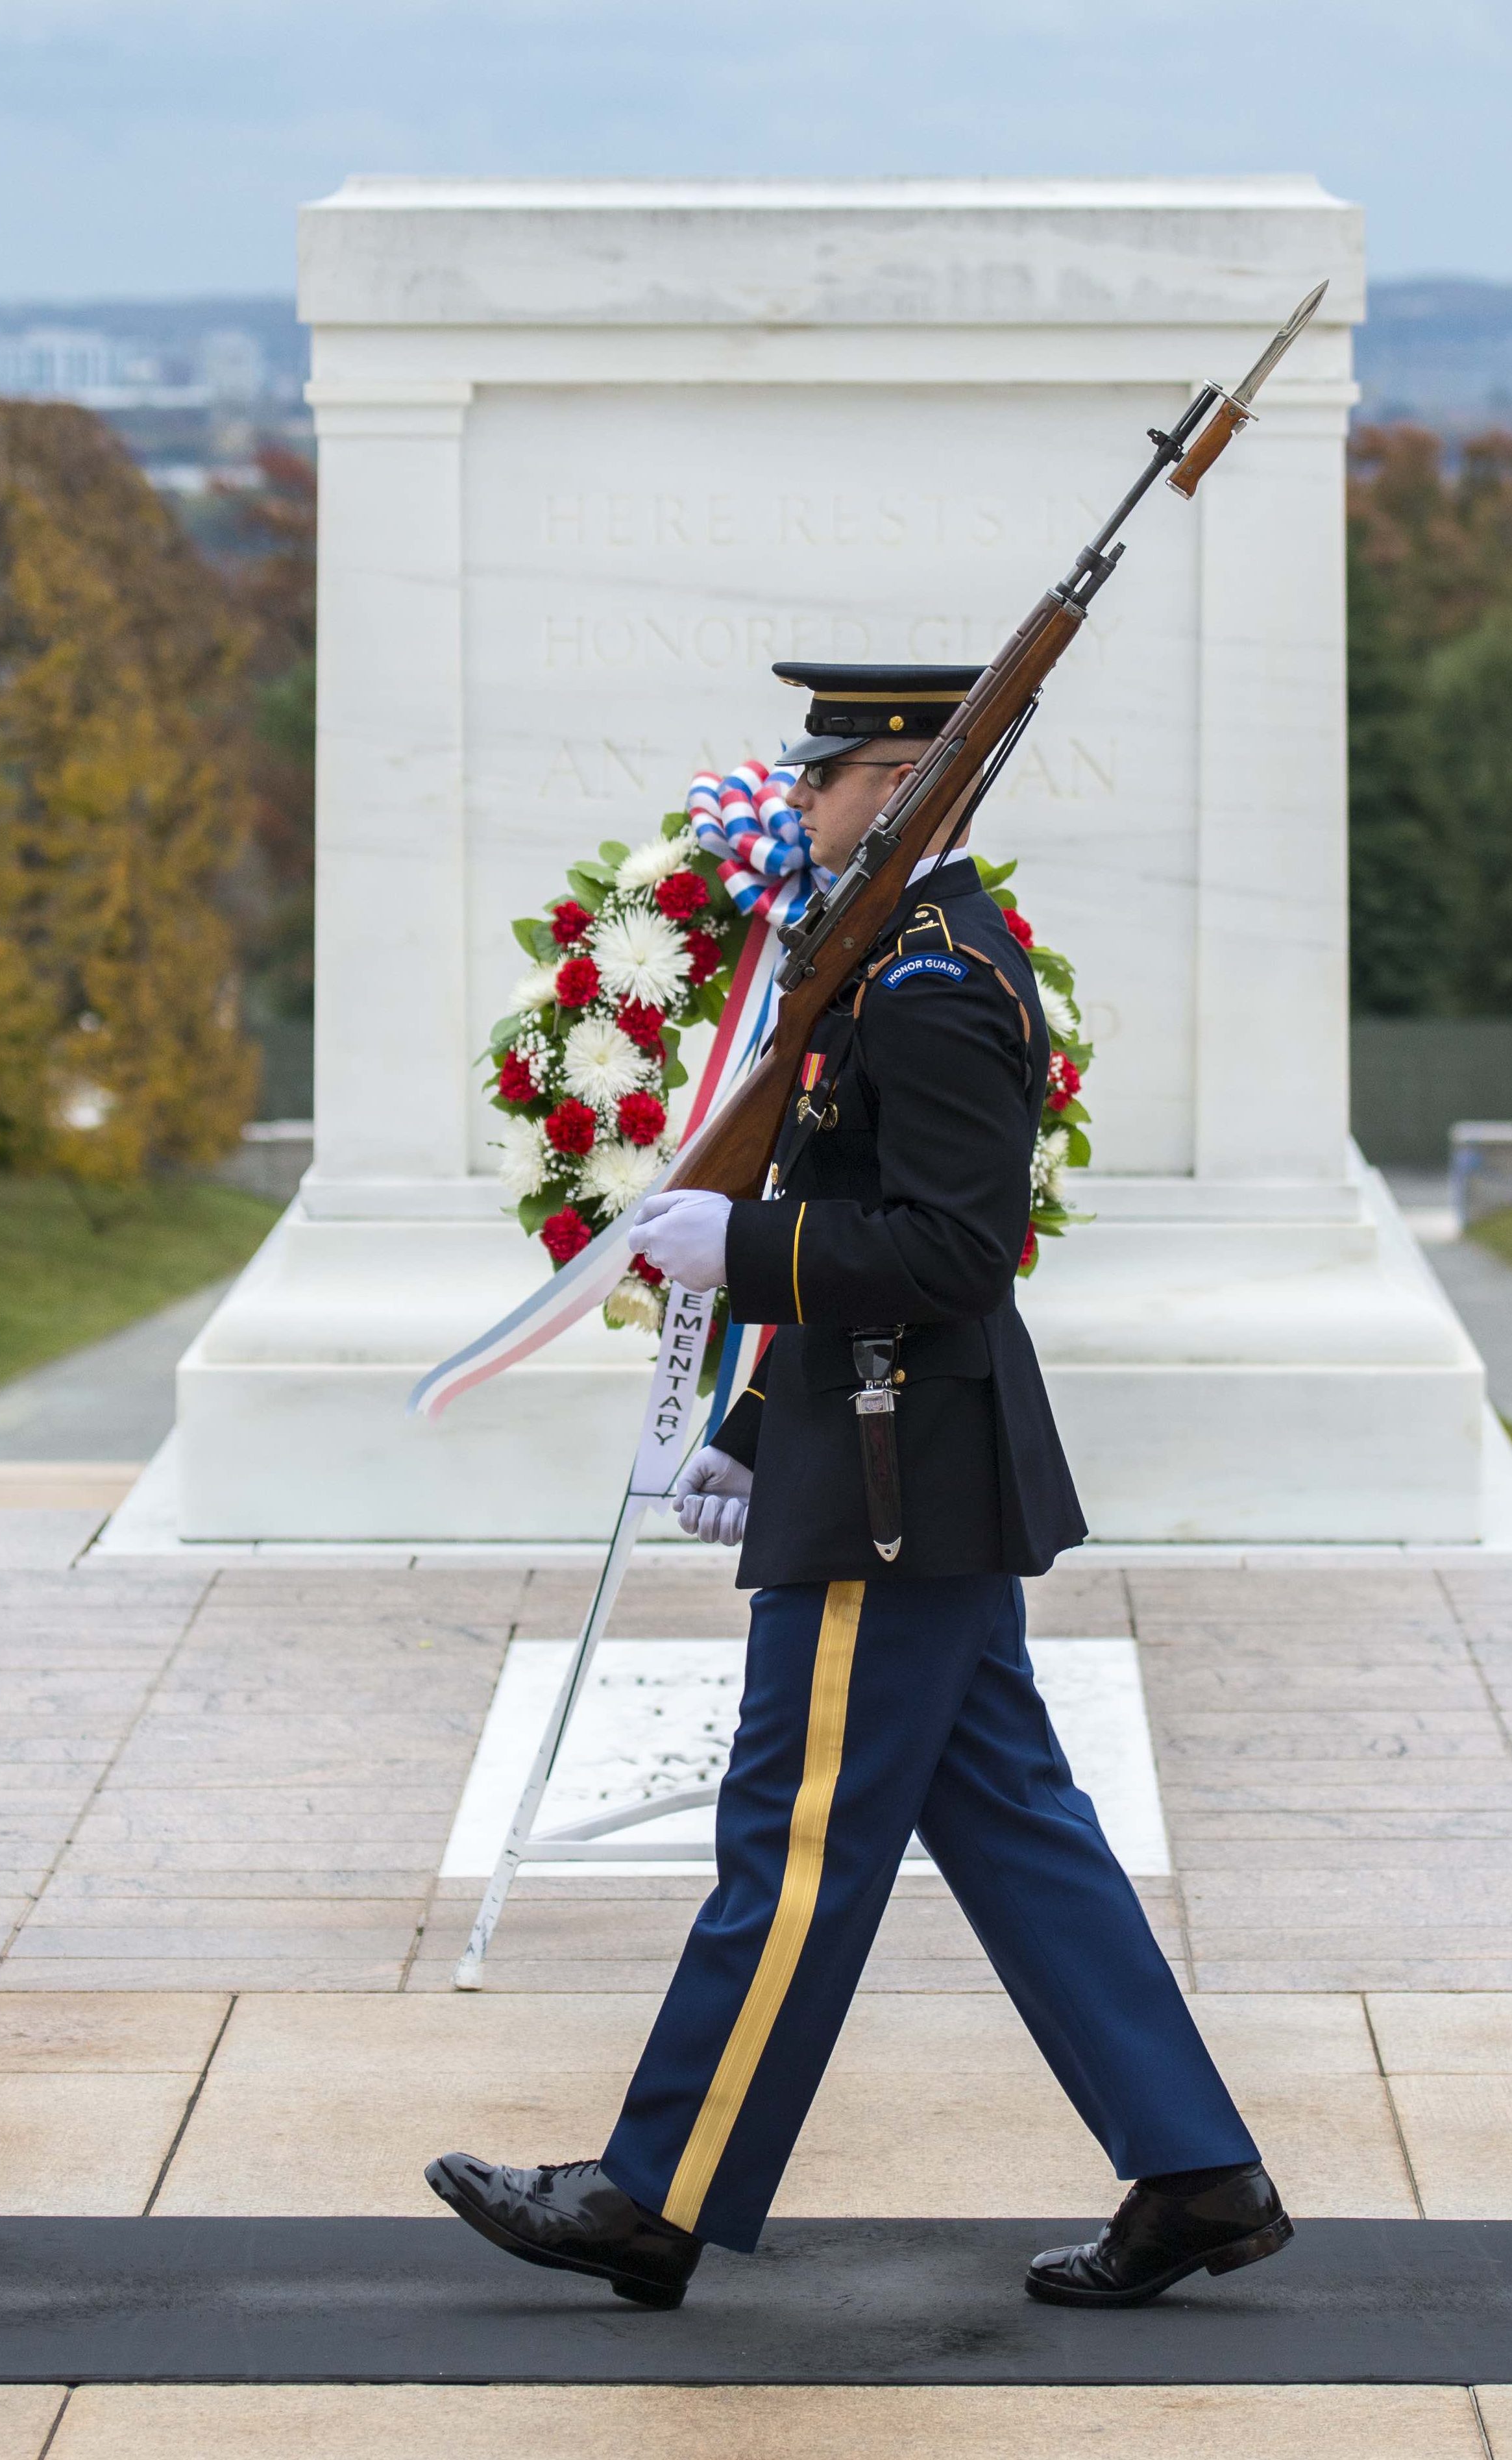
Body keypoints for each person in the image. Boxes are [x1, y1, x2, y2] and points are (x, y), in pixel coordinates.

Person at [424, 661, 1291, 2313]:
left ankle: (653, 2193)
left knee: (795, 1840)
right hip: (895, 1455)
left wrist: (737, 1244)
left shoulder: (935, 985)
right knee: (1020, 1828)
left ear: (893, 791)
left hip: (900, 1487)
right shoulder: (890, 963)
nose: (797, 800)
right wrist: (755, 1426)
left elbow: (959, 1252)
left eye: (821, 778)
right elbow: (862, 1202)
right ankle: (1197, 2171)